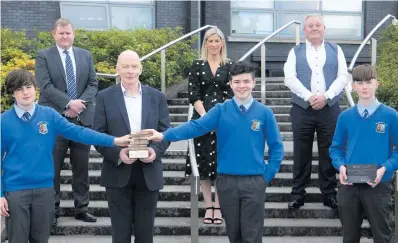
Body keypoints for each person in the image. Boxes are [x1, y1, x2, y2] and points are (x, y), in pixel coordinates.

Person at [145, 61, 284, 243]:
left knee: (252, 235)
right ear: (231, 84)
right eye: (237, 82)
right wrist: (164, 135)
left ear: (254, 83)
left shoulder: (264, 113)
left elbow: (277, 147)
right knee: (234, 234)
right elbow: (196, 126)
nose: (242, 86)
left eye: (246, 81)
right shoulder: (221, 110)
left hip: (254, 181)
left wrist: (266, 176)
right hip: (226, 182)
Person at [0, 69, 132, 243]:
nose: (25, 92)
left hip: (45, 190)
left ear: (35, 88)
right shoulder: (4, 122)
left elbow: (79, 132)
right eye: (19, 89)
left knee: (41, 239)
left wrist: (115, 141)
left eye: (29, 87)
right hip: (15, 192)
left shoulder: (49, 115)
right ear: (12, 93)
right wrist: (1, 194)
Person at [92, 50, 170, 243]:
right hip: (117, 172)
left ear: (140, 69)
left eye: (134, 66)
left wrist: (155, 151)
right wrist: (118, 154)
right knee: (120, 234)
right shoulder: (104, 97)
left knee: (145, 235)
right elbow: (98, 135)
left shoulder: (157, 96)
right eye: (125, 66)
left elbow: (165, 132)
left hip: (148, 171)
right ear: (117, 69)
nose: (130, 71)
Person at [35, 18, 98, 225]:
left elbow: (92, 84)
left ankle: (81, 208)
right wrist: (69, 103)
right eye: (61, 33)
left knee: (82, 168)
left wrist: (79, 104)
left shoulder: (85, 55)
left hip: (81, 120)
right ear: (54, 34)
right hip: (55, 121)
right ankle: (52, 211)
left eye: (68, 33)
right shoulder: (44, 55)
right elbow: (45, 86)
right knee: (52, 168)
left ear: (74, 34)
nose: (65, 37)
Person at [283, 14, 348, 209]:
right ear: (305, 30)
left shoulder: (336, 50)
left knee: (329, 151)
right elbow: (290, 78)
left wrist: (326, 96)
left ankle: (329, 194)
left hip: (329, 109)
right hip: (302, 108)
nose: (314, 28)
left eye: (317, 25)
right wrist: (309, 97)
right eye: (310, 25)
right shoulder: (295, 51)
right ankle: (297, 194)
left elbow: (343, 76)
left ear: (324, 28)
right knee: (301, 152)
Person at [330, 64, 398, 243]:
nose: (364, 86)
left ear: (377, 84)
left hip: (379, 186)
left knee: (382, 237)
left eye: (369, 82)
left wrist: (385, 168)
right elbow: (335, 148)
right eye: (359, 82)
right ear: (353, 87)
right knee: (349, 237)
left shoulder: (391, 116)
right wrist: (341, 166)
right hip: (349, 186)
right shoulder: (345, 117)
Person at [186, 27, 234, 224]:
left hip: (226, 121)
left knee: (222, 165)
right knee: (204, 164)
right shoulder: (197, 65)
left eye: (217, 41)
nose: (213, 44)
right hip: (202, 121)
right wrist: (207, 120)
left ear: (222, 43)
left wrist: (219, 120)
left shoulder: (230, 66)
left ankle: (219, 206)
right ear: (205, 44)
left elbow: (233, 95)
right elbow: (193, 94)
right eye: (210, 41)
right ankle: (209, 206)